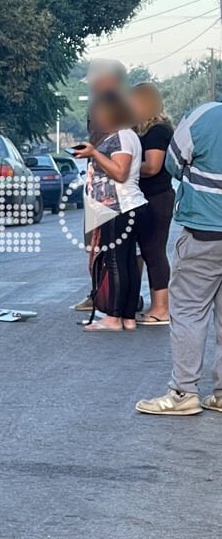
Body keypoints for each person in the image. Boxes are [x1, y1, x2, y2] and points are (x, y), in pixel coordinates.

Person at [136, 101, 222, 415]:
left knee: (188, 311)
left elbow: (172, 163)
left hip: (204, 232)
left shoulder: (203, 116)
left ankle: (184, 392)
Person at [73, 91, 147, 331]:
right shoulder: (124, 136)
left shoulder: (122, 137)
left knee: (116, 263)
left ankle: (114, 318)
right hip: (122, 207)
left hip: (120, 208)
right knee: (126, 263)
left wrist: (94, 153)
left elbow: (120, 172)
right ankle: (127, 317)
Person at [74, 59, 129, 312]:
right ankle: (99, 293)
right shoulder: (99, 105)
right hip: (96, 184)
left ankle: (115, 300)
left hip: (114, 192)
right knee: (95, 246)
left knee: (116, 251)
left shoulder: (123, 110)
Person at [130, 82, 174, 325]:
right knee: (139, 251)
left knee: (153, 251)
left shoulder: (158, 130)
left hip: (157, 197)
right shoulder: (140, 130)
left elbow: (153, 166)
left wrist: (123, 167)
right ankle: (134, 300)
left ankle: (161, 308)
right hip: (143, 198)